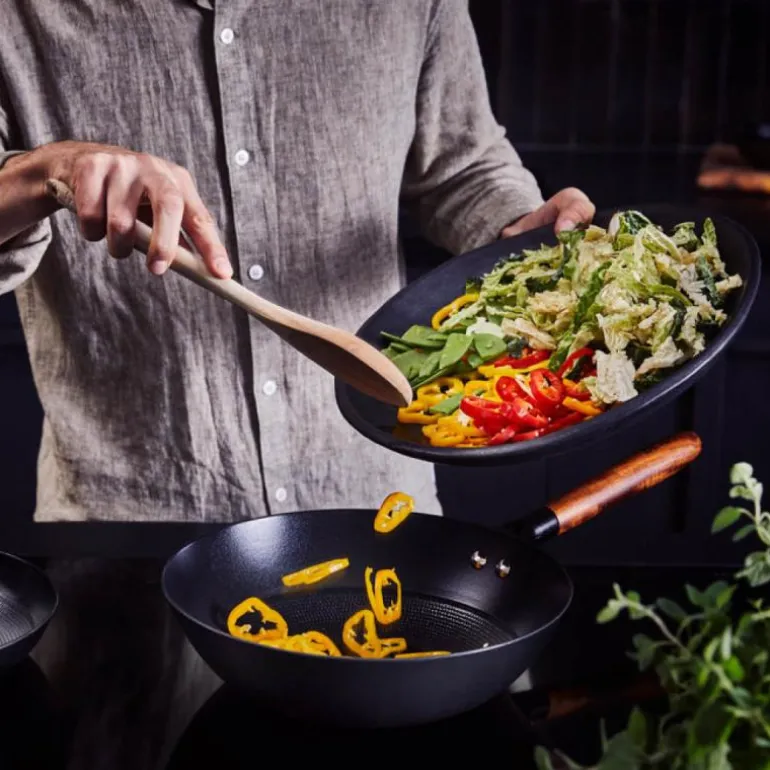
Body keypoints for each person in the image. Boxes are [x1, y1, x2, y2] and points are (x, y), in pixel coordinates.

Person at [0, 2, 594, 767]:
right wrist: (44, 170)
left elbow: (465, 165)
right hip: (125, 546)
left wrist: (523, 232)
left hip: (385, 528)